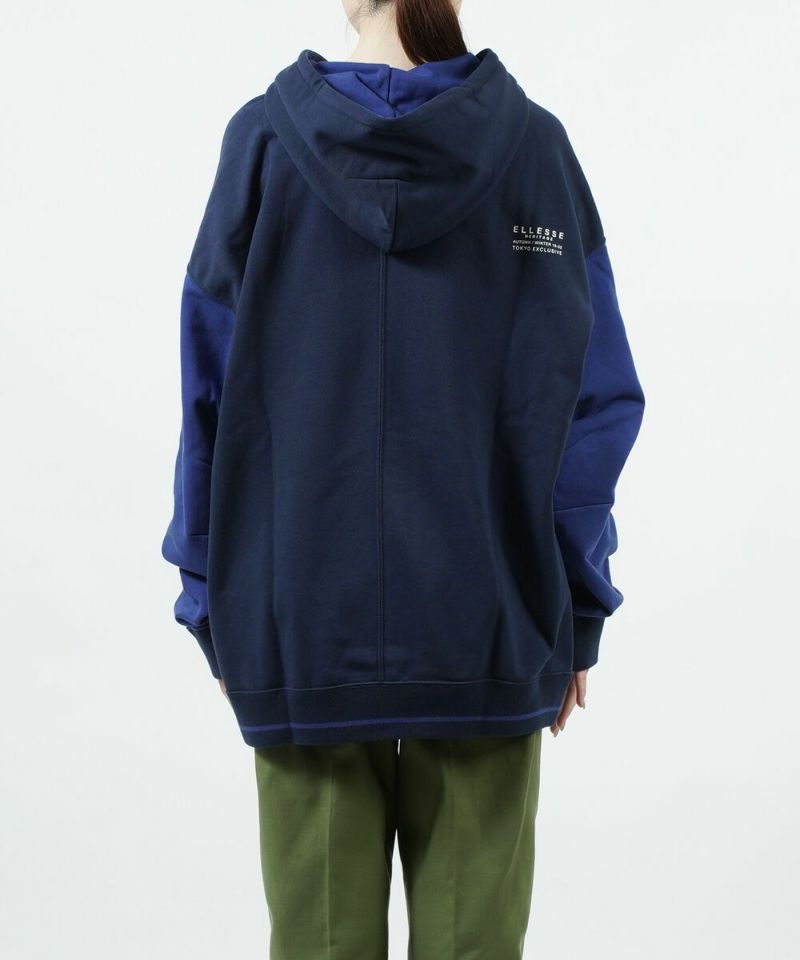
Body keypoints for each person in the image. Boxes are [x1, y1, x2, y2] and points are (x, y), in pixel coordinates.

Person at [161, 0, 645, 956]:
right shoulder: (534, 149)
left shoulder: (263, 143)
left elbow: (205, 392)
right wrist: (576, 607)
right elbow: (595, 403)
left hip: (300, 622)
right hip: (491, 620)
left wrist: (215, 604)